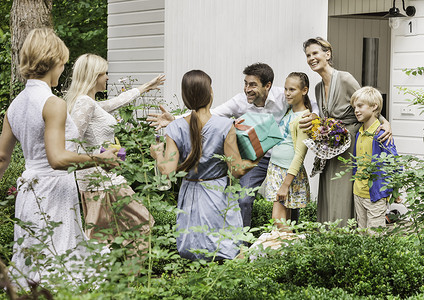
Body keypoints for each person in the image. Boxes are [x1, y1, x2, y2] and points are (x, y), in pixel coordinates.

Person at [0, 28, 117, 287]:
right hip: (54, 192)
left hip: (29, 193)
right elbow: (57, 158)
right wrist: (100, 159)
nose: (63, 69)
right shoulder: (53, 103)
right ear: (53, 61)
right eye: (63, 63)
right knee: (59, 263)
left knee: (33, 262)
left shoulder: (15, 105)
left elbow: (1, 158)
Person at [147, 63, 320, 228]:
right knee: (244, 199)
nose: (247, 89)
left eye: (253, 85)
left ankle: (293, 238)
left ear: (267, 85)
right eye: (245, 84)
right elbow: (212, 113)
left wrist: (314, 116)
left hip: (282, 158)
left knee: (289, 201)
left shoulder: (284, 96)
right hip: (255, 158)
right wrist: (176, 119)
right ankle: (242, 243)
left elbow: (308, 102)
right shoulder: (240, 101)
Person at [149, 70, 255, 260]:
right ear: (209, 93)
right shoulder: (225, 125)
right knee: (225, 245)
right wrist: (254, 161)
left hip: (190, 192)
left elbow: (167, 171)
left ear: (186, 96)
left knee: (194, 246)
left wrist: (157, 154)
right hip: (218, 192)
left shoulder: (175, 127)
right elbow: (237, 170)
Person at [65, 53, 165, 246]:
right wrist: (98, 158)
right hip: (100, 183)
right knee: (137, 227)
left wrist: (146, 87)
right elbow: (70, 143)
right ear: (94, 76)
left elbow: (118, 101)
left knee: (109, 237)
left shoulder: (90, 103)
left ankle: (121, 275)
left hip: (104, 180)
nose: (108, 77)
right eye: (104, 73)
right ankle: (124, 275)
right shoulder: (84, 103)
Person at [299, 37, 392, 226]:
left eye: (315, 53)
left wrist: (386, 123)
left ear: (328, 54)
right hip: (330, 148)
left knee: (343, 193)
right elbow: (326, 117)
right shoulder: (317, 88)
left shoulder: (345, 78)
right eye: (308, 55)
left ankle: (344, 236)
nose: (311, 58)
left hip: (351, 147)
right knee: (329, 191)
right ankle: (328, 237)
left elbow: (366, 103)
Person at [266, 72, 311, 231]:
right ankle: (287, 252)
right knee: (284, 221)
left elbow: (300, 155)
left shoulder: (305, 118)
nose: (287, 93)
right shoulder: (289, 111)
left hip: (287, 173)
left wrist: (285, 185)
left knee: (278, 221)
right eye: (285, 89)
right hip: (276, 168)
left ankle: (286, 252)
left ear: (304, 91)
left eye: (292, 89)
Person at [350, 87, 398, 229]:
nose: (356, 110)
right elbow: (355, 163)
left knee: (375, 236)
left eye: (360, 106)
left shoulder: (381, 134)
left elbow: (393, 164)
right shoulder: (359, 133)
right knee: (363, 233)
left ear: (374, 106)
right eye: (354, 107)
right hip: (358, 192)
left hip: (376, 195)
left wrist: (395, 190)